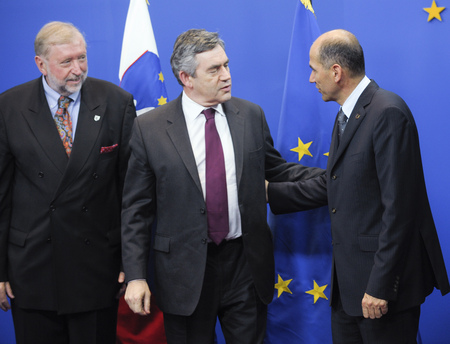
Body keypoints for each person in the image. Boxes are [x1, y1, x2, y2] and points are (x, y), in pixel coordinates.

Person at [121, 28, 324, 344]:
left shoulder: (250, 115)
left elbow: (278, 170)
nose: (227, 75)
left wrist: (335, 179)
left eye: (226, 65)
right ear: (186, 78)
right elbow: (136, 210)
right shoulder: (149, 129)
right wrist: (135, 276)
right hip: (183, 272)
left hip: (245, 264)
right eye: (214, 70)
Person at [267, 29, 450, 343]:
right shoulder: (348, 115)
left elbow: (400, 211)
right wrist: (269, 192)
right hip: (349, 291)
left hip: (381, 291)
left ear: (336, 72)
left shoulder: (387, 112)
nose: (311, 79)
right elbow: (337, 184)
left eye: (313, 69)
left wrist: (379, 286)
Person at [0, 21, 136, 344]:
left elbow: (131, 193)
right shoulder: (9, 108)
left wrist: (131, 264)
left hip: (97, 271)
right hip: (33, 271)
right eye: (66, 62)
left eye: (82, 58)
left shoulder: (116, 102)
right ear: (41, 64)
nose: (78, 70)